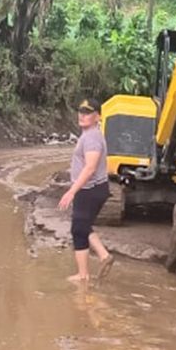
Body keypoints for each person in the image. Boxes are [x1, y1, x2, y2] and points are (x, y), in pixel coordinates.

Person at [58, 98, 115, 282]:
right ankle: (104, 256)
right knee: (82, 225)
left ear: (98, 116)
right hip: (92, 189)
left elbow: (90, 168)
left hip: (89, 190)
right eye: (81, 111)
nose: (82, 116)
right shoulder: (91, 134)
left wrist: (71, 191)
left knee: (78, 229)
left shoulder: (91, 138)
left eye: (88, 113)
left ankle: (83, 276)